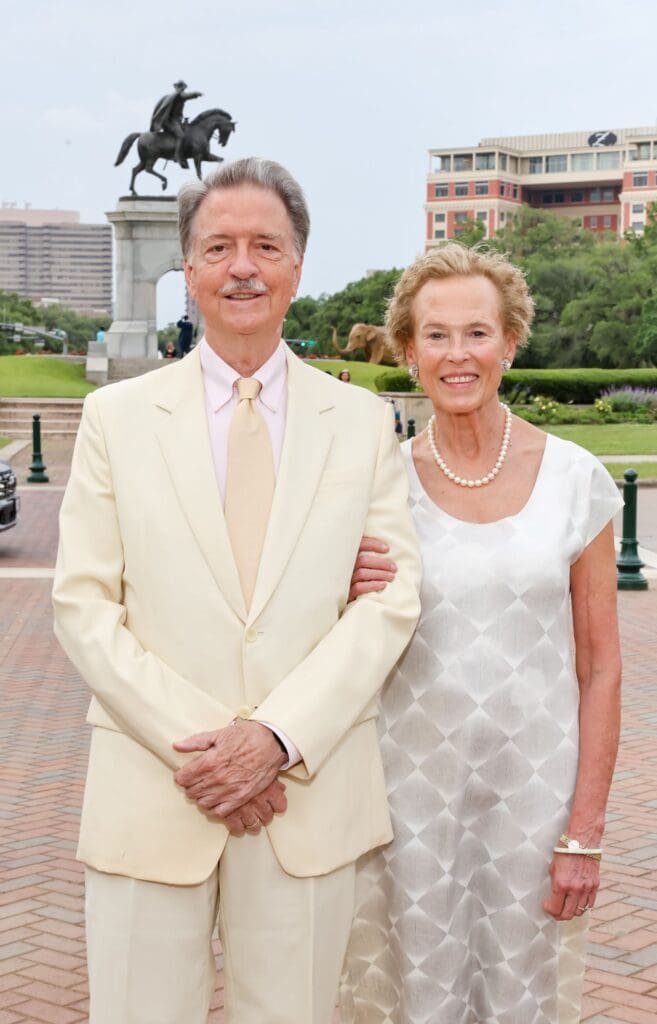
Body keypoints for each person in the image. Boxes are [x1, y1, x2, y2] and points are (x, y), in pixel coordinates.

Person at [52, 157, 421, 1024]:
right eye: (219, 247)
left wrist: (275, 738)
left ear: (297, 266)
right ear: (188, 269)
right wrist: (215, 751)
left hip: (306, 800)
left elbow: (390, 599)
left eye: (265, 245)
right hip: (153, 791)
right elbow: (83, 605)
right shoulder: (116, 419)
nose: (242, 266)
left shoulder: (362, 422)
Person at [340, 243, 622, 1024]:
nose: (456, 354)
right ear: (408, 350)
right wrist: (339, 590)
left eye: (476, 332)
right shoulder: (376, 487)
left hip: (533, 802)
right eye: (436, 335)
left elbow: (599, 666)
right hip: (404, 800)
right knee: (412, 999)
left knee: (518, 1000)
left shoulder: (574, 479)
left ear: (509, 343)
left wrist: (583, 831)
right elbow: (337, 644)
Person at [150, 80, 203, 167]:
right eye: (182, 88)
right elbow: (187, 96)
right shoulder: (179, 95)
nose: (183, 89)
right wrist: (196, 94)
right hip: (170, 121)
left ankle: (183, 153)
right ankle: (176, 155)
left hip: (177, 120)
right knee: (181, 135)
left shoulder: (176, 96)